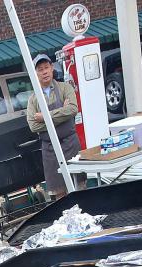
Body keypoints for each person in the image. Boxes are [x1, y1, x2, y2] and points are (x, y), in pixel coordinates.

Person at [25, 54, 84, 200]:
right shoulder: (33, 100)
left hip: (71, 144)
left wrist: (44, 116)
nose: (44, 72)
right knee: (60, 195)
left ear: (52, 68)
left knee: (80, 188)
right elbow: (33, 125)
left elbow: (72, 110)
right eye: (40, 69)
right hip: (50, 150)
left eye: (46, 68)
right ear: (35, 73)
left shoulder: (65, 88)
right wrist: (61, 115)